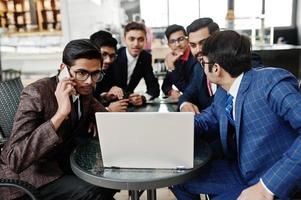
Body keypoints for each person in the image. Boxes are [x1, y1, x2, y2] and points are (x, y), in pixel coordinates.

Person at [172, 30, 301, 200]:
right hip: (240, 171)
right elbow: (206, 120)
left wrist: (266, 187)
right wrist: (172, 128)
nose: (201, 66)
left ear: (216, 68)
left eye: (203, 62)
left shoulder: (271, 82)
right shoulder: (223, 93)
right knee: (179, 180)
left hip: (272, 181)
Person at [0, 39, 116, 200]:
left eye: (95, 73)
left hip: (64, 163)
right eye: (81, 73)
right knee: (95, 190)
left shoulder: (84, 89)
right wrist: (60, 114)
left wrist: (95, 120)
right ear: (64, 69)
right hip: (31, 178)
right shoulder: (36, 93)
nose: (89, 81)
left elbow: (104, 118)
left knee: (110, 182)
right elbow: (15, 159)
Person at [106, 21, 160, 106]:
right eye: (131, 39)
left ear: (146, 40)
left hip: (129, 104)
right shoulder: (114, 56)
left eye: (140, 39)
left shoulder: (145, 57)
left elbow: (154, 88)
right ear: (124, 40)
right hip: (108, 104)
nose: (136, 44)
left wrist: (143, 98)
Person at [178, 18, 219, 114]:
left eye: (203, 43)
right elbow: (188, 94)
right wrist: (185, 104)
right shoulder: (198, 68)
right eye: (193, 45)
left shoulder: (236, 63)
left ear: (218, 40)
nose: (198, 50)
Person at [161, 24, 202, 103]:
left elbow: (190, 90)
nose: (177, 44)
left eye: (181, 39)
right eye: (172, 41)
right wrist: (171, 92)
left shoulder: (196, 58)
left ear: (187, 40)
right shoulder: (175, 58)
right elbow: (165, 85)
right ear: (169, 45)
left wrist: (171, 67)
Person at [90, 30, 129, 112]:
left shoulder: (113, 67)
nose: (108, 60)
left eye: (112, 56)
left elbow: (123, 92)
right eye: (103, 54)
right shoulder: (82, 74)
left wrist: (106, 96)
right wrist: (108, 110)